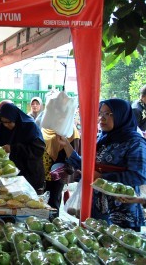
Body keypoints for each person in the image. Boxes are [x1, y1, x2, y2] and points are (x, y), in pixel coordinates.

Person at [58, 99, 146, 231]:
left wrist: (102, 176)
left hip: (122, 211)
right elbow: (87, 166)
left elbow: (138, 175)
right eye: (101, 114)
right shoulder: (103, 139)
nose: (102, 118)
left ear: (121, 115)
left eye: (108, 114)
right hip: (97, 208)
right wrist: (66, 145)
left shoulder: (135, 143)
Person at [0, 103, 46, 193]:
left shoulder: (30, 126)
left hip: (30, 174)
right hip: (12, 175)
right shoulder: (4, 128)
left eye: (9, 122)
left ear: (15, 118)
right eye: (3, 122)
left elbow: (38, 150)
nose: (6, 125)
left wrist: (13, 148)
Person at [42, 126, 80, 217]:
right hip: (44, 171)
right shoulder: (46, 128)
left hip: (59, 172)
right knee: (43, 200)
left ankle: (54, 224)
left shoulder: (70, 130)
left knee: (54, 200)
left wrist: (67, 171)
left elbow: (73, 154)